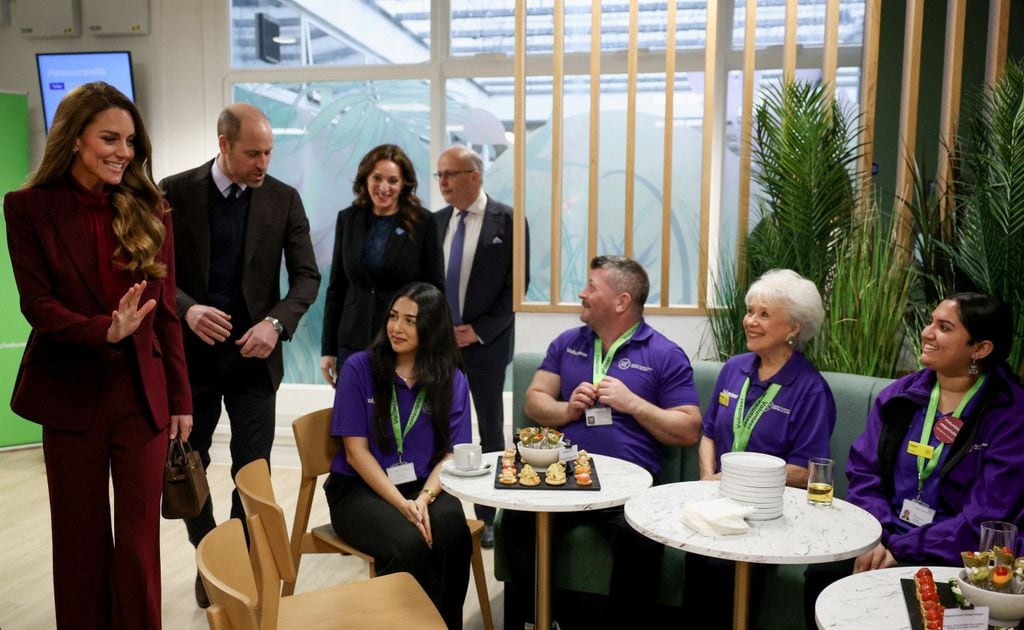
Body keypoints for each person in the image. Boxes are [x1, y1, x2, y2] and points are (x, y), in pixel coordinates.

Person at [4, 81, 192, 629]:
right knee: (80, 543)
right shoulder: (27, 208)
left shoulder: (151, 207)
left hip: (142, 400)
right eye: (109, 138)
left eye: (130, 141)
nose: (123, 152)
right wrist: (104, 332)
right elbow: (37, 305)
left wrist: (181, 398)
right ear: (75, 139)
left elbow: (168, 315)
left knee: (137, 546)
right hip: (70, 398)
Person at [160, 102, 321, 607]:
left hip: (255, 359)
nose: (263, 163)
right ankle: (210, 553)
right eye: (253, 153)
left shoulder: (283, 199)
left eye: (269, 152)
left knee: (252, 471)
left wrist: (276, 324)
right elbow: (153, 269)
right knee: (190, 465)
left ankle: (237, 558)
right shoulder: (172, 192)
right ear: (223, 143)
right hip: (192, 360)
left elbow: (306, 277)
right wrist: (186, 310)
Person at [505, 255, 703, 628]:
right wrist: (566, 410)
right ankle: (541, 620)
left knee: (639, 537)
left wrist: (634, 405)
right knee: (517, 521)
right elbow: (534, 399)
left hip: (628, 486)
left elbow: (689, 428)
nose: (582, 294)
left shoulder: (664, 354)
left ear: (621, 301)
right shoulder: (568, 343)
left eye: (592, 287)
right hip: (564, 474)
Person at [803, 293, 1024, 626]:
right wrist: (875, 536)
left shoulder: (1011, 413)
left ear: (980, 349)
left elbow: (987, 514)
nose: (927, 332)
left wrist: (903, 549)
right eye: (931, 321)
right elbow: (865, 473)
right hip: (886, 533)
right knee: (824, 575)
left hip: (955, 553)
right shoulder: (899, 397)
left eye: (944, 327)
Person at [686, 268, 836, 629]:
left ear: (794, 328)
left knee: (723, 569)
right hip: (717, 504)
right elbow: (708, 434)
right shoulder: (734, 368)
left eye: (764, 314)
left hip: (769, 514)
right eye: (750, 311)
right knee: (695, 557)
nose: (750, 321)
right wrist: (708, 478)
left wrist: (738, 479)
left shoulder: (810, 389)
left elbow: (806, 471)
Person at [323, 282, 472, 629]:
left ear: (431, 328)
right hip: (358, 489)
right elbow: (355, 453)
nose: (396, 328)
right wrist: (402, 504)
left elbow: (451, 453)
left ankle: (445, 624)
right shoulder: (360, 368)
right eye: (393, 317)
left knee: (454, 532)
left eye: (409, 320)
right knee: (409, 543)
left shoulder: (451, 378)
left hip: (424, 485)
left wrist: (423, 497)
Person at [432, 145, 528, 547]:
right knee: (438, 427)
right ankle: (438, 509)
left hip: (485, 345)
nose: (442, 183)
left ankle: (490, 517)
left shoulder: (508, 220)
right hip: (440, 345)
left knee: (489, 429)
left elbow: (516, 287)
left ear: (474, 176)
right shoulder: (435, 223)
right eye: (439, 175)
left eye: (449, 175)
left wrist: (480, 331)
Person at [320, 144, 445, 385]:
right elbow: (336, 287)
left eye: (393, 180)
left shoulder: (424, 222)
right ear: (365, 178)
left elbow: (435, 291)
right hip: (352, 339)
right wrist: (329, 349)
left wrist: (430, 346)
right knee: (353, 413)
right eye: (377, 178)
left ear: (404, 184)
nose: (384, 187)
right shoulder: (348, 219)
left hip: (403, 341)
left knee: (395, 415)